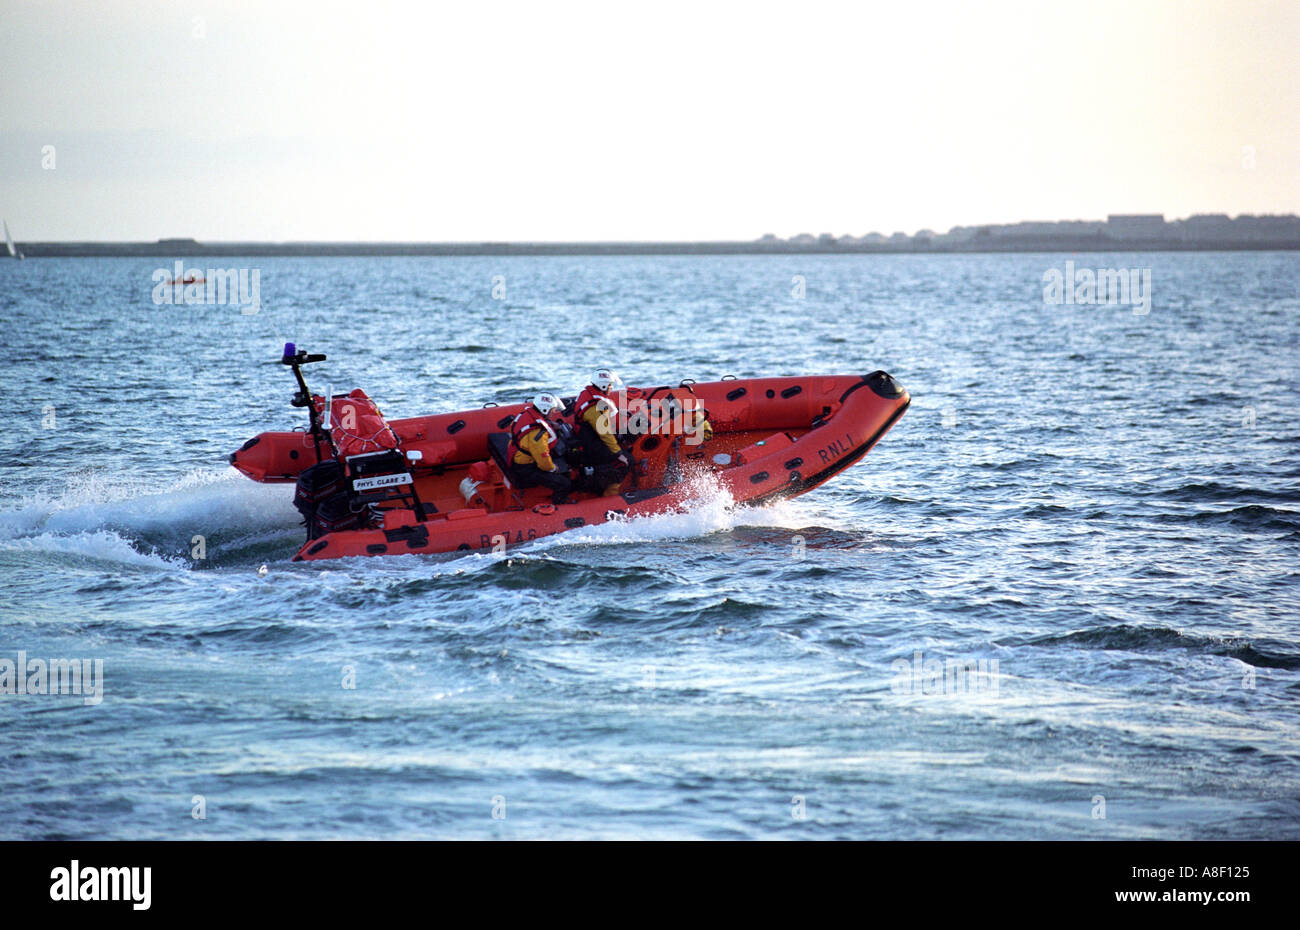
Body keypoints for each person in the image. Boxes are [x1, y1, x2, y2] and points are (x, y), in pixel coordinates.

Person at [570, 368, 631, 496]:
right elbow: (605, 432)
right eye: (610, 385)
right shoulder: (596, 405)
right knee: (625, 462)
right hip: (591, 446)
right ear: (602, 385)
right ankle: (609, 495)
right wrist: (618, 453)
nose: (611, 388)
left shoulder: (588, 394)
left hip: (592, 440)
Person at [507, 392, 573, 504]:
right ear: (545, 410)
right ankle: (559, 505)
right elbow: (543, 460)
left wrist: (550, 424)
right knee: (564, 483)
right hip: (526, 468)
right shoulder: (538, 432)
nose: (554, 412)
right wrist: (554, 468)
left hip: (516, 456)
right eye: (553, 410)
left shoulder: (525, 415)